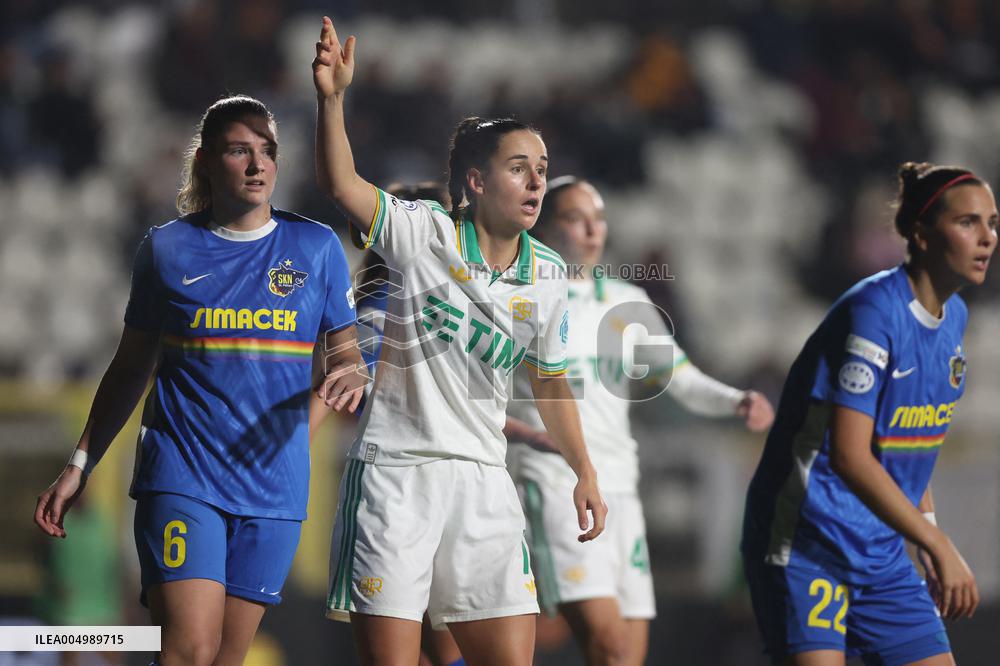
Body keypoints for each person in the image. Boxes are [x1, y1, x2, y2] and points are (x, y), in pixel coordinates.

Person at [312, 16, 607, 666]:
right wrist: (333, 100)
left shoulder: (550, 273)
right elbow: (343, 187)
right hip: (397, 475)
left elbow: (550, 380)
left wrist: (584, 470)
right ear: (474, 182)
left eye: (542, 170)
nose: (536, 182)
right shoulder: (426, 236)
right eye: (519, 168)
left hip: (483, 484)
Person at [34, 94, 367, 666]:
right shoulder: (166, 248)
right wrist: (80, 463)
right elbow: (130, 366)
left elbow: (345, 355)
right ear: (207, 162)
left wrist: (350, 372)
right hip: (183, 475)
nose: (258, 164)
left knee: (226, 659)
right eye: (240, 150)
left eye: (268, 151)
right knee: (189, 650)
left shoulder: (315, 247)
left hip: (274, 489)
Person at [504, 176, 774, 666]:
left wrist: (736, 400)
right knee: (606, 641)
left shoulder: (626, 302)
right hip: (554, 483)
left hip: (621, 490)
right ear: (543, 227)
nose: (591, 230)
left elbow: (683, 379)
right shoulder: (516, 298)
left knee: (627, 654)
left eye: (599, 219)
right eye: (575, 218)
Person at [741, 162, 996, 665]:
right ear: (921, 234)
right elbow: (854, 458)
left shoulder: (955, 318)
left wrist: (924, 530)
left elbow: (905, 446)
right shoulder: (873, 313)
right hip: (807, 542)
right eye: (968, 222)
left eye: (993, 223)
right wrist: (939, 542)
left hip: (879, 553)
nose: (987, 237)